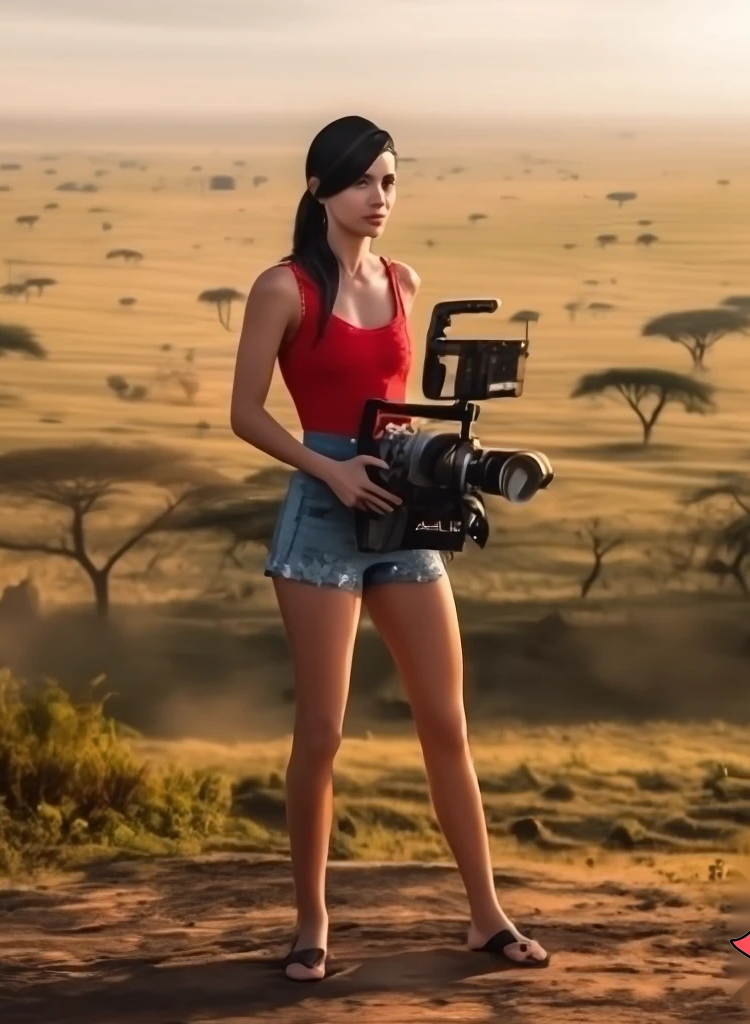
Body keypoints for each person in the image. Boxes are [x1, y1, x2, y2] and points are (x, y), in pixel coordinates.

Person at [229, 114, 550, 982]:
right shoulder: (284, 288)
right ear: (318, 188)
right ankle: (312, 922)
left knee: (445, 721)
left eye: (390, 181)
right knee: (323, 732)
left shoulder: (405, 281)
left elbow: (400, 402)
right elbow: (246, 414)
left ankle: (486, 916)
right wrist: (329, 471)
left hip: (404, 512)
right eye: (362, 180)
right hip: (323, 510)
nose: (379, 197)